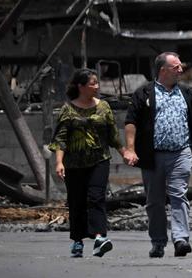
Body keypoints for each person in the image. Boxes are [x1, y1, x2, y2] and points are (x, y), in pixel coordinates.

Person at [123, 52, 192, 258]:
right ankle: (158, 242)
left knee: (178, 195)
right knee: (154, 201)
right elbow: (131, 122)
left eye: (181, 66)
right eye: (176, 67)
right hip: (152, 156)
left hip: (181, 153)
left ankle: (181, 239)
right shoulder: (144, 93)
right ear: (163, 70)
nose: (181, 70)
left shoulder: (186, 93)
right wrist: (130, 148)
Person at [48, 69, 126, 258]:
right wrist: (59, 162)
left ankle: (100, 238)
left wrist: (124, 152)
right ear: (81, 87)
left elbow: (113, 135)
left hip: (99, 160)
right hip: (74, 164)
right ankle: (77, 241)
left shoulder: (104, 107)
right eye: (93, 83)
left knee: (96, 197)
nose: (97, 87)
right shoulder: (68, 110)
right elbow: (61, 138)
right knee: (76, 201)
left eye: (97, 83)